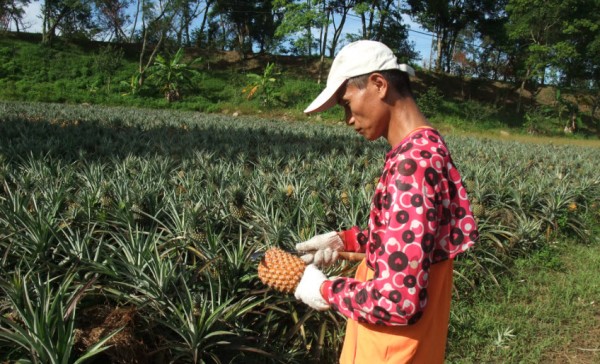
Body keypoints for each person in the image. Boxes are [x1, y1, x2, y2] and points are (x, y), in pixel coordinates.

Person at [292, 40, 479, 363]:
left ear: (379, 84)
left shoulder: (413, 166)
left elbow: (398, 300)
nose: (347, 118)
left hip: (391, 351)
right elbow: (409, 239)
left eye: (347, 103)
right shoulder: (427, 147)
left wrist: (324, 290)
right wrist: (345, 240)